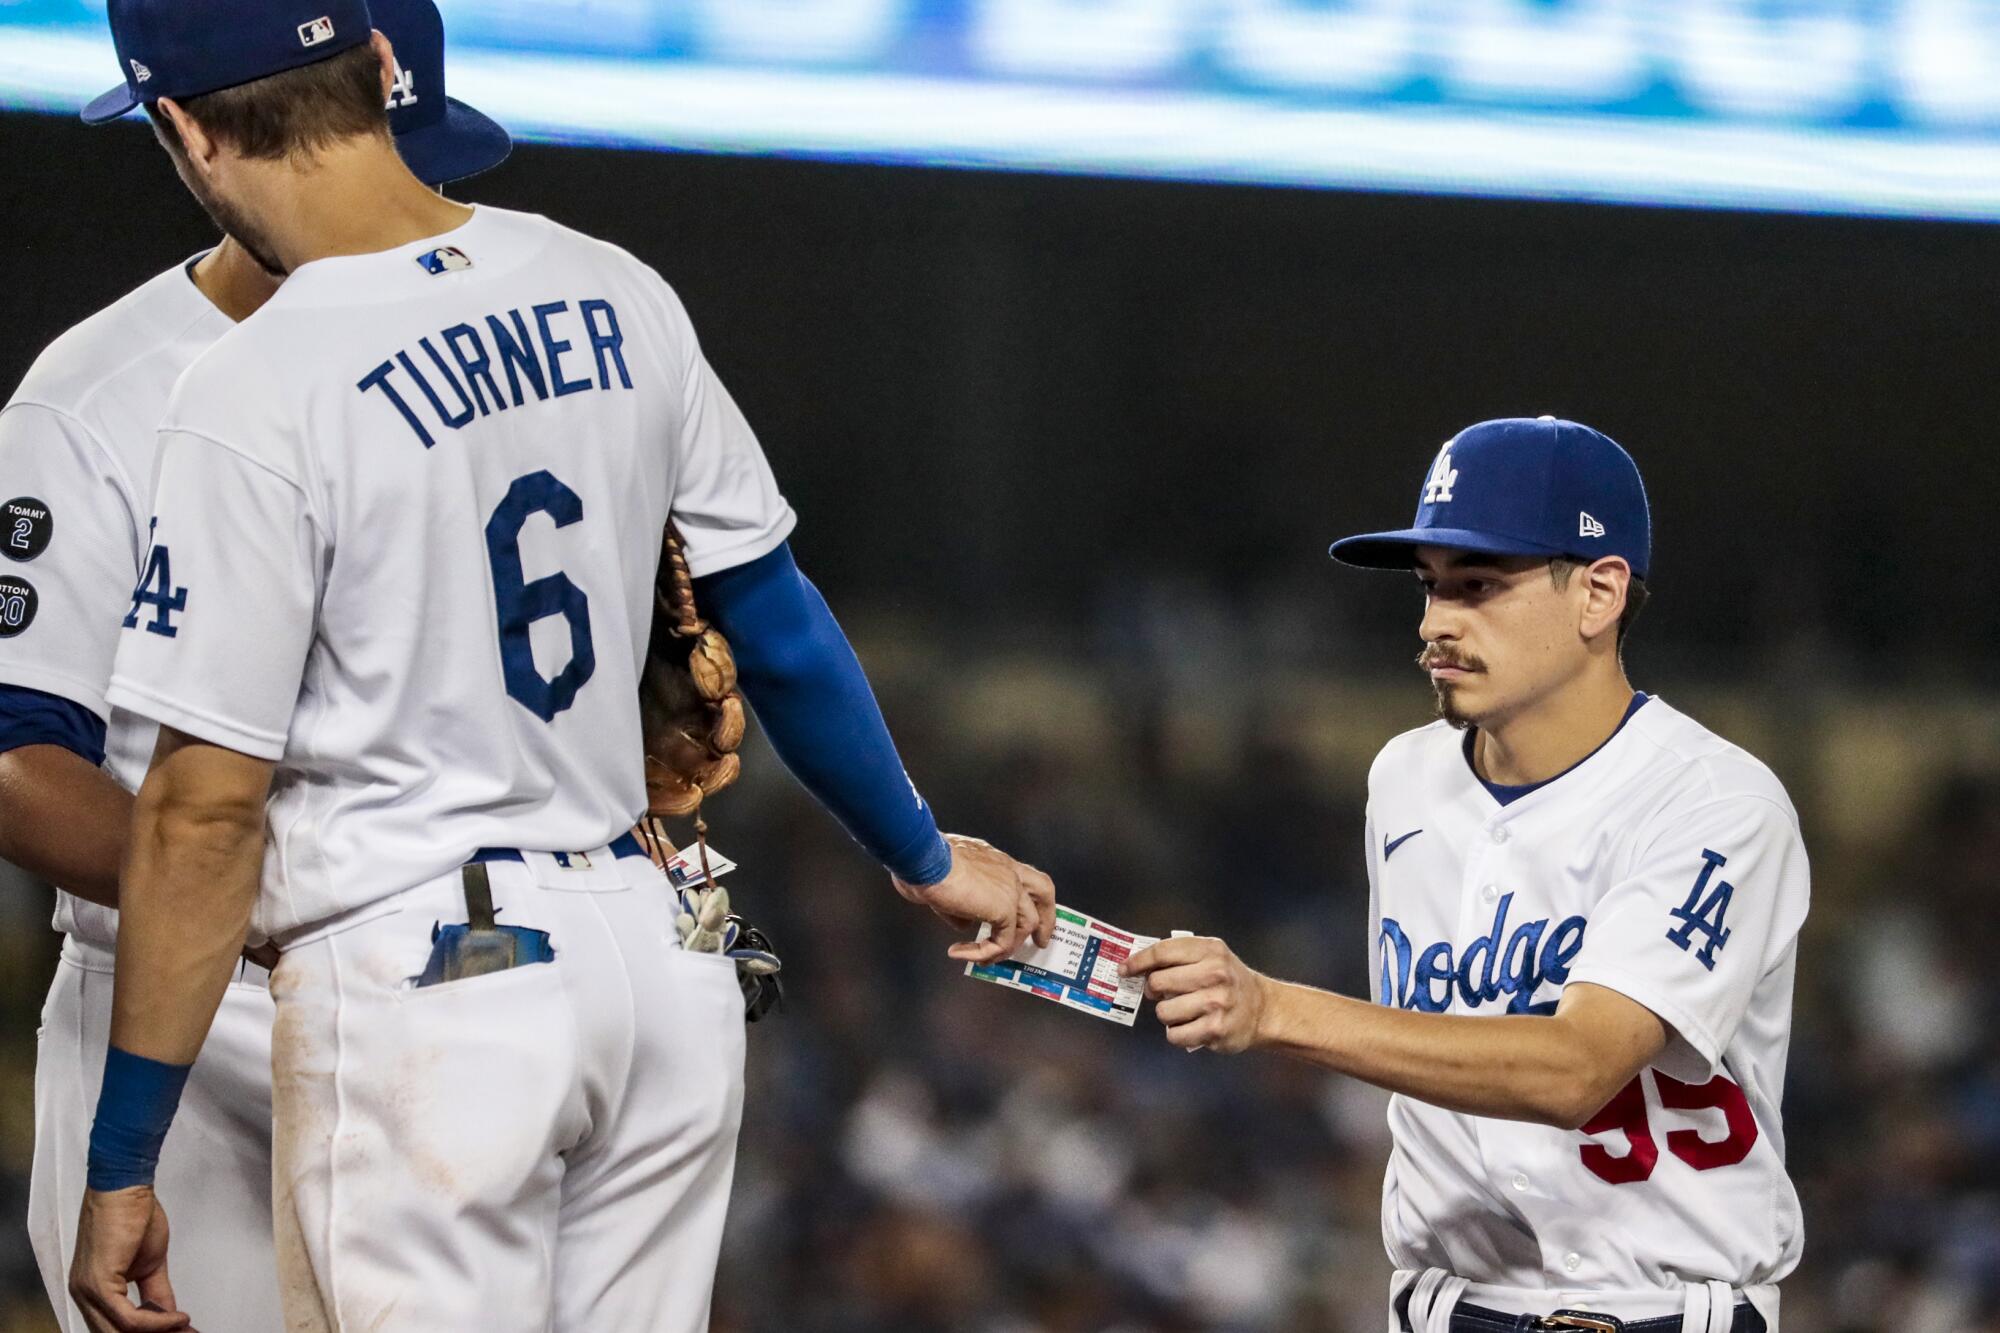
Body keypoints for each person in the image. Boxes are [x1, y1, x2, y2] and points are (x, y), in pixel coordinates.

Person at [61, 2, 1056, 1330]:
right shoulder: (610, 286)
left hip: (431, 978)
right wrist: (924, 853)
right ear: (384, 68)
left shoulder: (254, 384)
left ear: (183, 126)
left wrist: (123, 1154)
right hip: (657, 963)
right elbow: (776, 617)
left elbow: (202, 809)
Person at [0, 3, 508, 1328]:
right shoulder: (99, 396)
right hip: (192, 1007)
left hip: (457, 998)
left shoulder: (494, 369)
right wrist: (287, 901)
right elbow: (14, 763)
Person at [1126, 418, 1805, 1331]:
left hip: (1655, 1307)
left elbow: (1577, 1069)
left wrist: (1272, 1008)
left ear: (1598, 593)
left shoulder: (1715, 802)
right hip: (1441, 1305)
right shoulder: (1404, 778)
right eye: (1432, 586)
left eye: (1480, 585)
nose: (1436, 623)